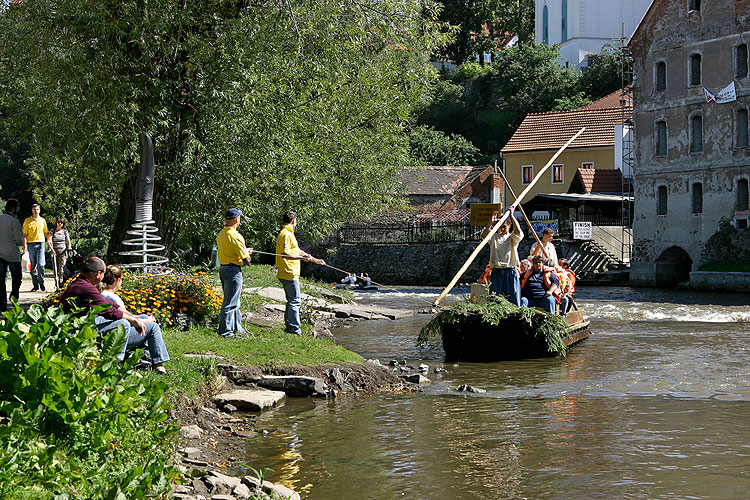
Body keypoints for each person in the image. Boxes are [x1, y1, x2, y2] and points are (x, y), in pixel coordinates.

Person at [60, 257, 170, 373]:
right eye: (103, 272)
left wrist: (134, 318)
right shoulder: (86, 288)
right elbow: (109, 312)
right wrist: (133, 320)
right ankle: (115, 364)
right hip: (81, 335)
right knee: (124, 324)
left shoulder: (82, 283)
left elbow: (109, 305)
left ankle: (157, 364)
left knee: (143, 321)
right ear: (98, 274)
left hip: (85, 328)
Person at [275, 211, 325, 335]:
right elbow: (284, 254)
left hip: (290, 272)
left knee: (291, 300)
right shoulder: (285, 234)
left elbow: (296, 250)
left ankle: (290, 327)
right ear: (293, 221)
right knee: (295, 301)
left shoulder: (289, 234)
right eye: (296, 221)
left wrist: (311, 258)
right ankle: (294, 330)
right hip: (289, 272)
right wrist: (302, 259)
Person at [216, 208, 253, 338]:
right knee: (230, 303)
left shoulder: (221, 234)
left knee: (234, 301)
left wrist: (244, 250)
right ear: (237, 219)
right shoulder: (235, 235)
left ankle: (237, 327)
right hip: (233, 271)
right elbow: (246, 260)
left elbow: (231, 250)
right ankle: (225, 331)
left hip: (224, 269)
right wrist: (247, 253)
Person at [481, 210, 523, 306]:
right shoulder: (494, 237)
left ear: (509, 226)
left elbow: (518, 231)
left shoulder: (512, 237)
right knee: (494, 297)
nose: (502, 228)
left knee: (513, 296)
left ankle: (515, 315)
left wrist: (512, 215)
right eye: (501, 226)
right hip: (496, 271)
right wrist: (491, 223)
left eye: (504, 226)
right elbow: (484, 235)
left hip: (510, 270)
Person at [22, 203, 52, 292]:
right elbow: (24, 235)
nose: (36, 211)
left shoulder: (43, 220)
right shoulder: (27, 221)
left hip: (41, 244)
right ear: (32, 211)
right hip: (31, 244)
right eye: (34, 209)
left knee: (41, 264)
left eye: (37, 209)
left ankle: (41, 282)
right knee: (33, 266)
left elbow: (46, 233)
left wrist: (50, 238)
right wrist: (25, 246)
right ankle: (35, 285)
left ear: (40, 210)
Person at [0, 199, 24, 311]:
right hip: (12, 254)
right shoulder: (14, 221)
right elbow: (19, 241)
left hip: (0, 254)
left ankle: (2, 304)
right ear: (13, 208)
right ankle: (14, 297)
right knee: (16, 278)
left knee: (1, 280)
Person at [50, 217, 72, 289]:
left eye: (61, 223)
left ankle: (61, 284)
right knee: (55, 269)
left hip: (63, 251)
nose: (60, 224)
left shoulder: (65, 231)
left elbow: (68, 241)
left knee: (61, 268)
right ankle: (57, 284)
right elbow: (49, 240)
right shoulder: (53, 231)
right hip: (54, 251)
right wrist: (51, 249)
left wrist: (69, 247)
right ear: (56, 222)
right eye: (58, 222)